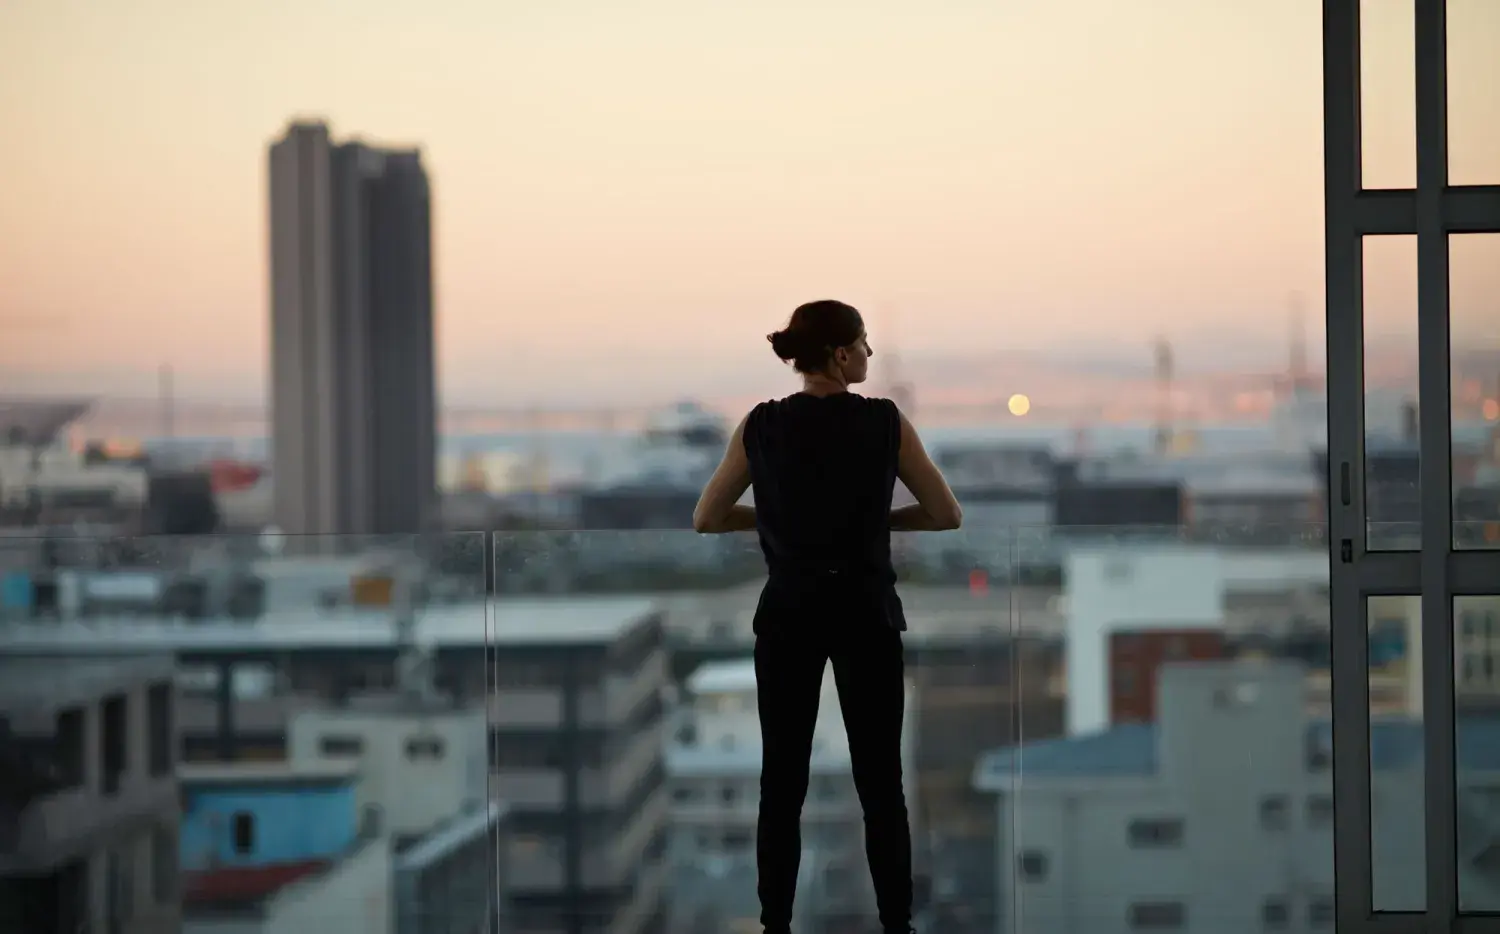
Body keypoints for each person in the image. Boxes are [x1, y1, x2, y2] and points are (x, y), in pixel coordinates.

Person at [692, 299, 962, 934]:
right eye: (864, 345)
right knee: (880, 785)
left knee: (781, 784)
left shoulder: (761, 425)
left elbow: (706, 517)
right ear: (841, 356)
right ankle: (897, 924)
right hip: (865, 613)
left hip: (788, 614)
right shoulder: (883, 423)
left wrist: (784, 523)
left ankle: (775, 927)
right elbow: (945, 513)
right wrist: (875, 524)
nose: (869, 355)